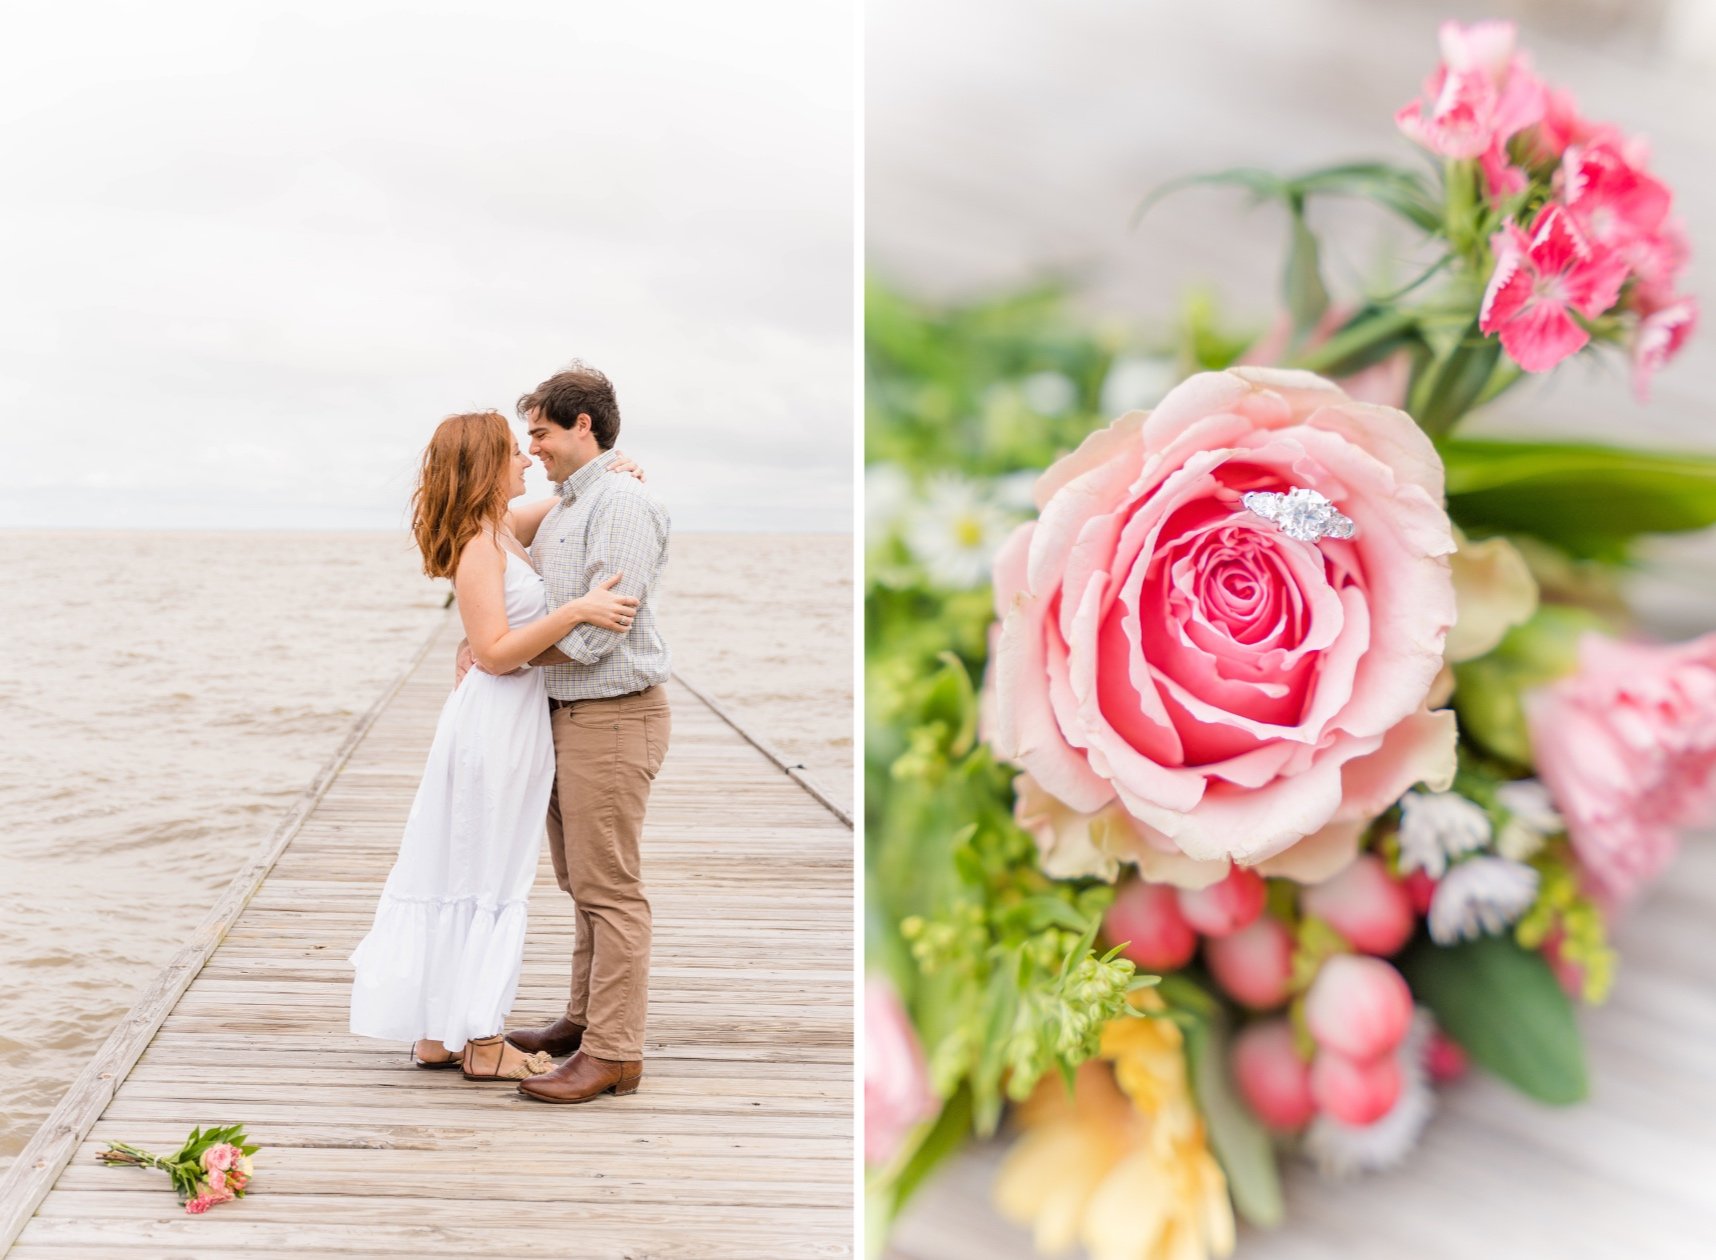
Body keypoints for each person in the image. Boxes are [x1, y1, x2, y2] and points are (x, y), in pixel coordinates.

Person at [347, 409, 643, 1081]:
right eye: (513, 452)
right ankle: (481, 1042)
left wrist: (609, 473)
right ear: (486, 466)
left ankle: (437, 1035)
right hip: (498, 723)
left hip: (504, 719)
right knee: (488, 870)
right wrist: (575, 610)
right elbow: (496, 652)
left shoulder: (498, 529)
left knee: (464, 864)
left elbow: (565, 503)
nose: (526, 460)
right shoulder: (481, 545)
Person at [486, 362, 673, 1104]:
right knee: (580, 881)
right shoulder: (570, 503)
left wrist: (504, 657)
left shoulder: (619, 503)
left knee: (610, 888)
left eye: (541, 434)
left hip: (613, 713)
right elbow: (486, 528)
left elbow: (600, 638)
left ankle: (615, 1052)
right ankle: (583, 1020)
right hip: (570, 715)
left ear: (582, 426)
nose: (532, 451)